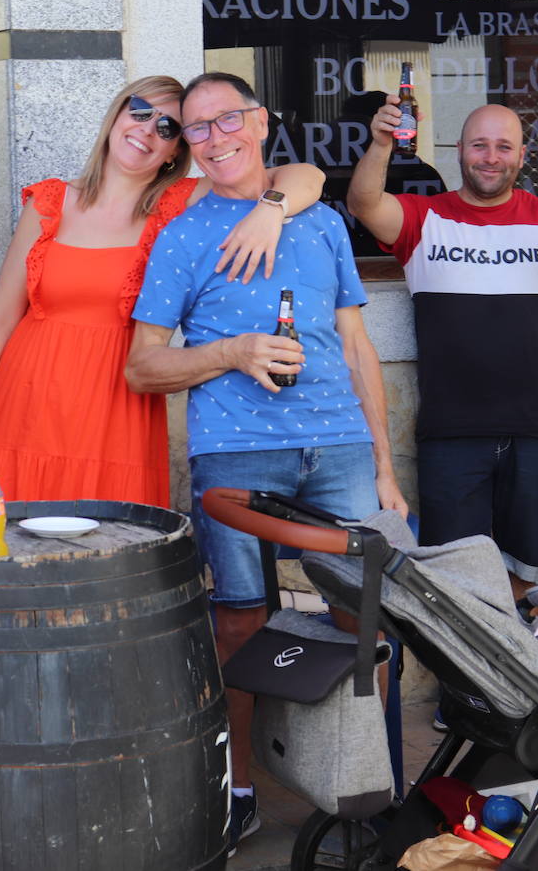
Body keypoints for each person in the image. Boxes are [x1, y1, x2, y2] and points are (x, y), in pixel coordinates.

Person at [126, 71, 407, 856]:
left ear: (260, 122)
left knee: (367, 622)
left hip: (341, 447)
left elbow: (357, 343)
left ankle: (373, 784)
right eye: (196, 128)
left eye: (226, 122)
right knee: (241, 622)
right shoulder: (185, 233)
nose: (213, 139)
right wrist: (232, 352)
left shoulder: (313, 217)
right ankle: (238, 789)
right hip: (237, 455)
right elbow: (142, 368)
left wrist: (385, 466)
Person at [0, 75, 324, 506]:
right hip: (24, 406)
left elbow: (307, 175)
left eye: (167, 128)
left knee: (112, 552)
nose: (148, 130)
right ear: (117, 115)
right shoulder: (50, 202)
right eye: (140, 111)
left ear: (175, 152)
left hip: (116, 414)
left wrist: (270, 209)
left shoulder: (179, 203)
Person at [347, 97, 538, 599]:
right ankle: (463, 676)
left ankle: (505, 662)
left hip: (533, 425)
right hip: (452, 432)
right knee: (452, 572)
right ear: (458, 151)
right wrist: (380, 144)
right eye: (479, 145)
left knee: (525, 568)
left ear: (522, 156)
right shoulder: (425, 219)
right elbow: (365, 203)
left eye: (504, 146)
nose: (490, 156)